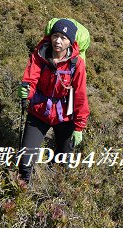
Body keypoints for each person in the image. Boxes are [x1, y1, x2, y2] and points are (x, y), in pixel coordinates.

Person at [17, 18, 90, 184]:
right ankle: (20, 191)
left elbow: (80, 95)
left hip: (65, 116)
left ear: (70, 42)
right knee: (26, 159)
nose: (58, 41)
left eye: (63, 38)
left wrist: (79, 127)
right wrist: (27, 91)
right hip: (39, 111)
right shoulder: (40, 54)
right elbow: (31, 77)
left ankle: (54, 193)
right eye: (55, 35)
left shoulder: (76, 64)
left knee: (63, 160)